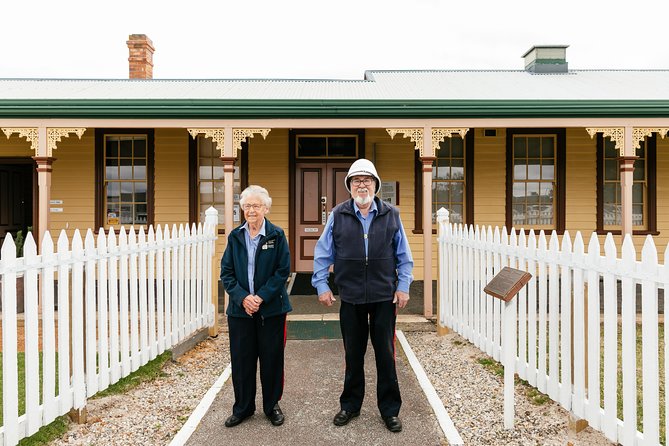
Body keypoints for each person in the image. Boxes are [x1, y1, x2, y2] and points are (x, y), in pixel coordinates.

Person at [312, 158, 414, 433]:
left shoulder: (391, 214)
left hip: (383, 297)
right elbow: (323, 253)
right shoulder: (338, 214)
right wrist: (322, 285)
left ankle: (390, 410)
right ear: (349, 185)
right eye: (356, 180)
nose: (361, 185)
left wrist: (403, 286)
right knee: (353, 354)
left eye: (367, 180)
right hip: (352, 296)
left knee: (385, 354)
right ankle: (350, 405)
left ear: (375, 184)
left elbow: (404, 256)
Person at [220, 185, 292, 428]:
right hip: (240, 311)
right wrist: (243, 298)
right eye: (247, 206)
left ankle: (272, 406)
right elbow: (227, 273)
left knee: (271, 359)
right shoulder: (235, 236)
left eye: (256, 206)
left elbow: (282, 272)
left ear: (266, 208)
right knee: (242, 361)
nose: (251, 210)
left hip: (271, 309)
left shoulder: (277, 235)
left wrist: (260, 297)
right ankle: (243, 408)